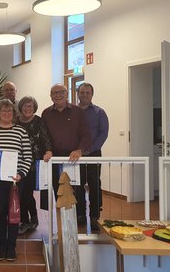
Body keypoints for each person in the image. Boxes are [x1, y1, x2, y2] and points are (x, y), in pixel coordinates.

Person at [0, 99, 32, 262]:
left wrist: (21, 174)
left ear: (14, 114)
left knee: (14, 213)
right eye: (3, 111)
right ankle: (1, 246)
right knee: (0, 213)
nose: (6, 114)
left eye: (9, 111)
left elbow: (28, 156)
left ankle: (11, 247)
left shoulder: (21, 131)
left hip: (16, 180)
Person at [41, 84, 92, 218]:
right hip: (54, 158)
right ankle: (61, 220)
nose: (57, 95)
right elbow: (44, 135)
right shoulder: (46, 113)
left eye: (60, 92)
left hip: (73, 157)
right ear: (50, 96)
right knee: (58, 189)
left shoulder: (78, 112)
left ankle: (78, 219)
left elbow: (86, 134)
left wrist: (80, 150)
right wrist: (48, 150)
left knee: (76, 189)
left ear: (67, 93)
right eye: (54, 93)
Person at [16, 96, 52, 235]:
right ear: (20, 108)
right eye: (25, 106)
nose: (27, 108)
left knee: (27, 194)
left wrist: (48, 150)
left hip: (34, 163)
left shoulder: (38, 121)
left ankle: (33, 218)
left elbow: (45, 137)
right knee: (20, 194)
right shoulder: (16, 121)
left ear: (34, 108)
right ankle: (25, 220)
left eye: (30, 106)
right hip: (19, 162)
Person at [77, 83, 109, 230]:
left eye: (87, 93)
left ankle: (95, 215)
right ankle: (80, 214)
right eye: (82, 92)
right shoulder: (73, 112)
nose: (84, 95)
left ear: (92, 94)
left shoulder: (99, 112)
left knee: (94, 184)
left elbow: (103, 133)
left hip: (93, 154)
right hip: (76, 155)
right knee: (78, 185)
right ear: (77, 93)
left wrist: (89, 149)